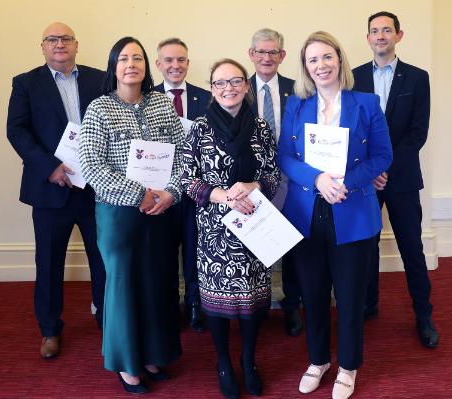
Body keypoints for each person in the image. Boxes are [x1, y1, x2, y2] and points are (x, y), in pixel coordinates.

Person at [279, 31, 392, 398]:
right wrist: (318, 179)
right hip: (307, 212)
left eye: (327, 57)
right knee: (312, 293)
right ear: (305, 67)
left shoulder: (367, 103)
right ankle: (317, 360)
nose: (321, 65)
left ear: (339, 60)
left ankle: (347, 365)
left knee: (349, 295)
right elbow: (286, 158)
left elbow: (381, 156)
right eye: (313, 60)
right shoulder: (295, 105)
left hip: (352, 210)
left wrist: (348, 181)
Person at [79, 36, 183, 394]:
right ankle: (127, 365)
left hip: (160, 210)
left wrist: (171, 192)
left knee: (156, 283)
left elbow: (182, 155)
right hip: (119, 213)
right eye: (123, 58)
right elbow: (92, 166)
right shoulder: (99, 109)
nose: (131, 64)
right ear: (114, 66)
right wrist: (139, 193)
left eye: (137, 58)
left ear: (146, 65)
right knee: (123, 286)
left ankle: (154, 354)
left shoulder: (161, 104)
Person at [6, 21, 106, 359]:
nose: (59, 44)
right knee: (48, 263)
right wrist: (50, 168)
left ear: (76, 45)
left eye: (65, 38)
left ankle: (108, 322)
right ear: (43, 46)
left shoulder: (100, 78)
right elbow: (17, 132)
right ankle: (49, 330)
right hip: (51, 190)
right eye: (52, 39)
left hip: (96, 189)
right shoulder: (26, 83)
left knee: (104, 260)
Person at [181, 59, 280, 399]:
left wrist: (254, 185)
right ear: (211, 88)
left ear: (246, 85)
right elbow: (185, 178)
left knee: (253, 302)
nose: (229, 88)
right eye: (220, 83)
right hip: (214, 230)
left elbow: (273, 173)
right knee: (216, 305)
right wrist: (220, 195)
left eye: (235, 81)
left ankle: (248, 360)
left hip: (254, 223)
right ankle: (223, 361)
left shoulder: (261, 127)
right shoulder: (199, 128)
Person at [352, 11, 439, 349]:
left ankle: (424, 315)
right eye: (374, 31)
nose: (380, 36)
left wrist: (384, 167)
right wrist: (370, 170)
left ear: (398, 35)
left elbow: (418, 132)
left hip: (401, 178)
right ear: (368, 38)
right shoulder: (354, 77)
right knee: (366, 247)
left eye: (386, 30)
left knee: (411, 249)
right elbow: (351, 131)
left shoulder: (418, 78)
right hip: (365, 181)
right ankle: (368, 305)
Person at [247, 28, 303, 337]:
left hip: (290, 179)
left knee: (290, 241)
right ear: (251, 54)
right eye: (261, 52)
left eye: (273, 52)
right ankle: (257, 305)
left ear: (282, 56)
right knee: (254, 242)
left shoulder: (298, 90)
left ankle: (292, 303)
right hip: (251, 180)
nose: (267, 57)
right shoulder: (237, 87)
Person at [154, 37, 211, 332]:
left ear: (188, 63)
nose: (175, 66)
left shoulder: (206, 97)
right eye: (169, 60)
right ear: (158, 64)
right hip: (161, 193)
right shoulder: (146, 98)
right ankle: (168, 307)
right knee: (163, 252)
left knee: (193, 250)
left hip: (196, 192)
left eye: (181, 60)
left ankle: (194, 304)